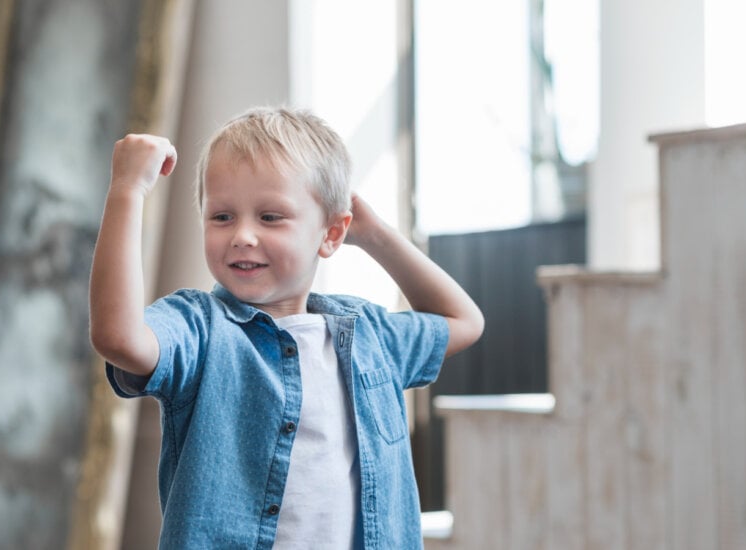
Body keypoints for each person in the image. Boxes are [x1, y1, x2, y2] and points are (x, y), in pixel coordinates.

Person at [89, 106, 484, 549]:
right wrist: (127, 190)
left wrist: (374, 234)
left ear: (332, 234)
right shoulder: (199, 328)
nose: (242, 235)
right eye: (222, 217)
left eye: (270, 217)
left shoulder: (368, 335)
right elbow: (117, 337)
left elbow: (463, 321)